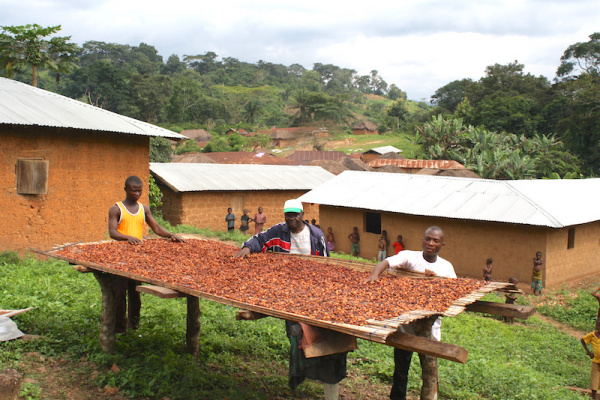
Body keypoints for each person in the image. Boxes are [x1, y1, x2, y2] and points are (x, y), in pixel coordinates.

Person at [236, 199, 349, 399]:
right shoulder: (279, 231)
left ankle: (319, 372)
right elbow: (260, 239)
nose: (292, 219)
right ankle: (302, 368)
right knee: (296, 332)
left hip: (313, 290)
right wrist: (247, 247)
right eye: (288, 215)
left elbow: (326, 265)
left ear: (302, 214)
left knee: (322, 332)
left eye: (295, 215)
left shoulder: (316, 235)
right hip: (287, 290)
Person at [366, 226, 456, 400]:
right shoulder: (409, 257)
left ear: (442, 245)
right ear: (422, 240)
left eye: (435, 241)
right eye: (428, 239)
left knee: (430, 373)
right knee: (400, 372)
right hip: (404, 330)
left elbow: (453, 293)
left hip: (429, 332)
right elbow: (386, 263)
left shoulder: (446, 268)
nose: (431, 243)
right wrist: (375, 275)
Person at [108, 175, 184, 333]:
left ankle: (134, 325)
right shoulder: (117, 209)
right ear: (126, 190)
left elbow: (156, 228)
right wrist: (127, 237)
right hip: (120, 258)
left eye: (139, 191)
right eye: (133, 191)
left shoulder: (144, 209)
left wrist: (170, 235)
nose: (136, 194)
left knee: (135, 293)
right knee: (120, 293)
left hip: (137, 257)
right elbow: (113, 232)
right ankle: (119, 329)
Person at [581, 318, 600, 399]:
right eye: (598, 324)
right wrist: (589, 352)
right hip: (596, 362)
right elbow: (583, 340)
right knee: (594, 382)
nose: (599, 326)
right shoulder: (592, 335)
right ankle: (594, 398)